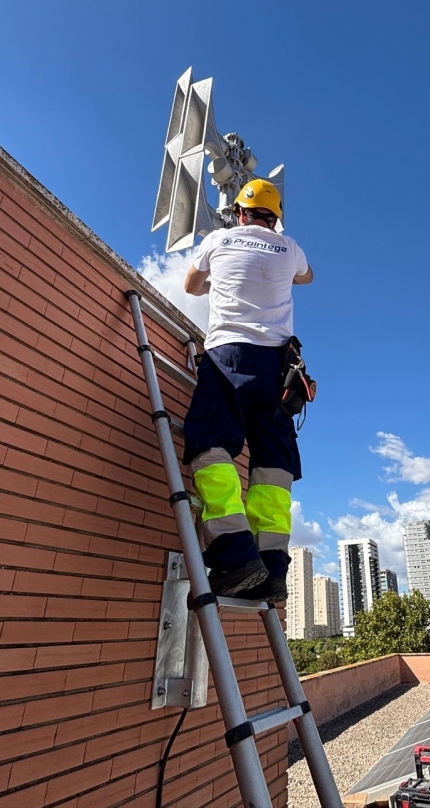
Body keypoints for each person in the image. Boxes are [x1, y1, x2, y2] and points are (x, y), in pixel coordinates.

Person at [182, 178, 313, 600]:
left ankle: (234, 553)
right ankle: (273, 570)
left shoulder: (218, 239)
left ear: (239, 211)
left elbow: (190, 286)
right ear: (275, 219)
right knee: (273, 465)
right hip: (277, 369)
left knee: (210, 442)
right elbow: (306, 278)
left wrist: (221, 275)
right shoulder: (289, 246)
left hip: (229, 357)